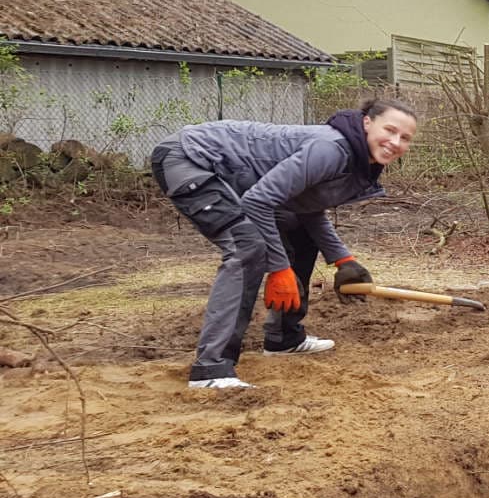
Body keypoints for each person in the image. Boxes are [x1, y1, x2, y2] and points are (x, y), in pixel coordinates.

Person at [150, 96, 418, 389]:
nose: (395, 142)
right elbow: (258, 201)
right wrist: (279, 270)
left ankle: (284, 338)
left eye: (405, 138)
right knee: (247, 247)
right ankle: (211, 369)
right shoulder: (331, 149)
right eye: (389, 130)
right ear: (367, 122)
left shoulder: (357, 160)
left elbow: (306, 209)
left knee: (300, 233)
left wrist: (343, 259)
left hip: (227, 174)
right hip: (191, 158)